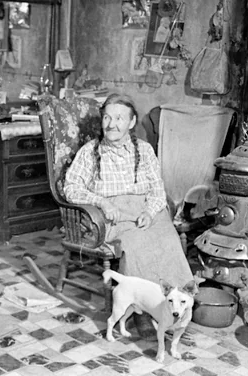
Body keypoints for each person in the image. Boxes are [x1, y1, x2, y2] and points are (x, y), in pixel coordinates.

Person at [63, 94, 194, 328]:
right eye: (107, 117)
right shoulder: (90, 151)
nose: (111, 124)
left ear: (131, 123)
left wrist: (150, 212)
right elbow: (70, 188)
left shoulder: (144, 150)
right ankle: (143, 312)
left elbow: (157, 189)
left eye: (119, 118)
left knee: (168, 240)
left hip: (145, 211)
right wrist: (101, 202)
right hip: (113, 216)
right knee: (137, 245)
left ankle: (176, 309)